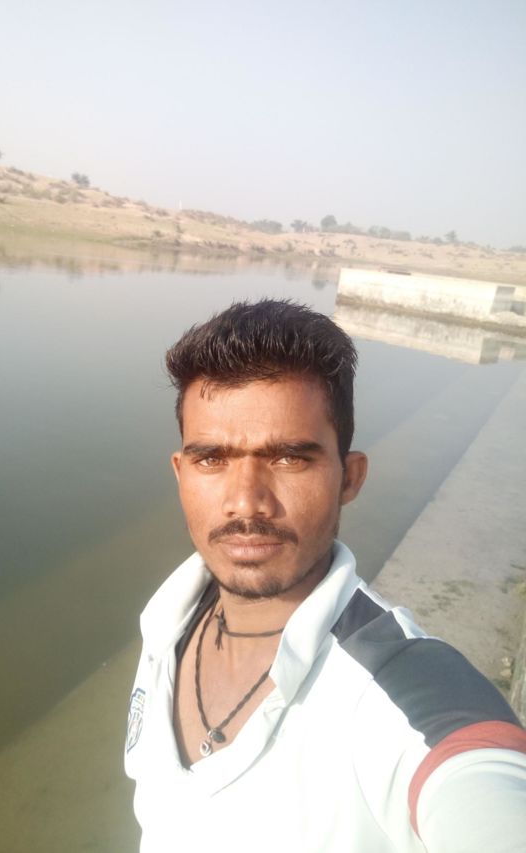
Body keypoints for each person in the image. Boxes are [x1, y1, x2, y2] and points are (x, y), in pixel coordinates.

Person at [125, 299, 526, 852]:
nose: (246, 502)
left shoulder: (396, 691)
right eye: (212, 458)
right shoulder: (165, 624)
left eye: (290, 458)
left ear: (350, 478)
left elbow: (476, 775)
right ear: (180, 472)